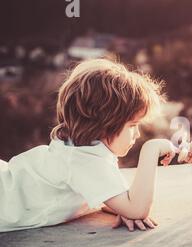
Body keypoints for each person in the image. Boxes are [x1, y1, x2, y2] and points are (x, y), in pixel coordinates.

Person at [0, 59, 177, 232]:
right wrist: (150, 150)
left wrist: (124, 207)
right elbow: (137, 209)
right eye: (132, 125)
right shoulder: (84, 161)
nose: (137, 134)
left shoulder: (85, 152)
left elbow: (121, 201)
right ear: (104, 125)